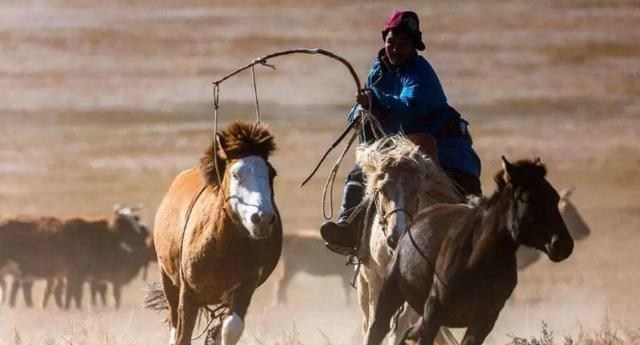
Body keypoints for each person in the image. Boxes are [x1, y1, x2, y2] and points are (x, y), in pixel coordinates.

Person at [320, 10, 482, 254]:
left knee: (464, 185)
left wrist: (376, 99)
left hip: (439, 140)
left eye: (402, 44)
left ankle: (478, 235)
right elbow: (360, 107)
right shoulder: (378, 69)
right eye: (391, 43)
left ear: (413, 46)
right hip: (399, 143)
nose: (395, 49)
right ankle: (348, 228)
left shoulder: (420, 72)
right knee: (359, 174)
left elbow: (411, 107)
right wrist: (359, 113)